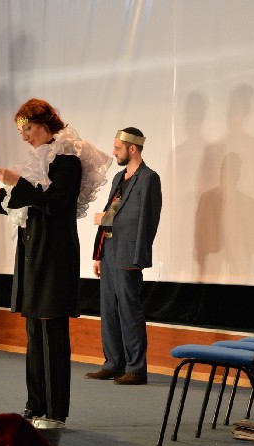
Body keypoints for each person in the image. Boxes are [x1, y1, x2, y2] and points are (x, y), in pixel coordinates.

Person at [0, 98, 110, 423]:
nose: (24, 136)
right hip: (33, 254)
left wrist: (16, 183)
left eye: (28, 129)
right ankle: (35, 405)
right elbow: (28, 207)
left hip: (54, 256)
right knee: (35, 334)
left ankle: (55, 411)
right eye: (21, 131)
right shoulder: (36, 161)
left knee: (51, 335)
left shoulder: (67, 161)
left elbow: (55, 205)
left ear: (45, 125)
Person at [86, 128, 162, 385]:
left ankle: (136, 368)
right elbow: (110, 213)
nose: (114, 152)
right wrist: (98, 254)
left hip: (128, 253)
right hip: (109, 251)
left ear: (132, 148)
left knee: (129, 311)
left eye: (118, 148)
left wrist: (139, 257)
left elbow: (147, 220)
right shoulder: (119, 177)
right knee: (108, 310)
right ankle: (113, 363)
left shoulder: (149, 178)